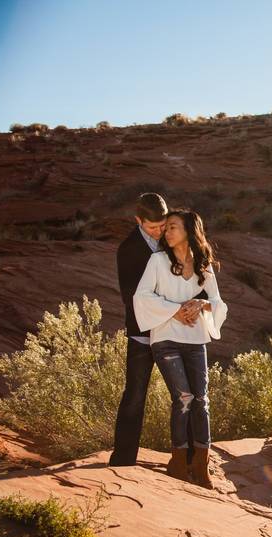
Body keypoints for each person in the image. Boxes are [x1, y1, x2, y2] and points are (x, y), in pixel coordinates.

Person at [134, 208, 227, 489]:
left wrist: (202, 304)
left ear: (189, 230)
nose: (167, 231)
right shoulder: (158, 261)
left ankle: (201, 466)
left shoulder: (203, 265)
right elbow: (141, 296)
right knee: (184, 398)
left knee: (202, 401)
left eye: (173, 226)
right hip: (165, 338)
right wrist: (175, 311)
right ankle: (177, 463)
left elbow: (219, 303)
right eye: (166, 227)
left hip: (196, 339)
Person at [109, 193, 201, 467]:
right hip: (143, 334)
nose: (159, 231)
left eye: (162, 225)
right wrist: (174, 309)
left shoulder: (171, 240)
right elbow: (131, 296)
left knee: (187, 394)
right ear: (138, 220)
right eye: (152, 227)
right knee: (135, 395)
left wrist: (193, 305)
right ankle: (123, 460)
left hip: (174, 332)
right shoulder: (128, 250)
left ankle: (192, 460)